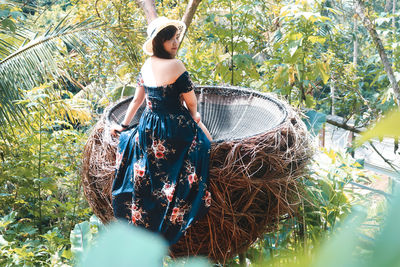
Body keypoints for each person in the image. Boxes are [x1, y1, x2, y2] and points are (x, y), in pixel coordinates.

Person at [110, 16, 213, 246]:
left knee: (145, 156)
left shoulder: (146, 65)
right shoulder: (177, 65)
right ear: (159, 42)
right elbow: (192, 104)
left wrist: (125, 126)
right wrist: (196, 119)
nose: (175, 43)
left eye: (176, 39)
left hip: (149, 127)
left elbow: (137, 101)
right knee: (205, 147)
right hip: (174, 127)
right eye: (169, 40)